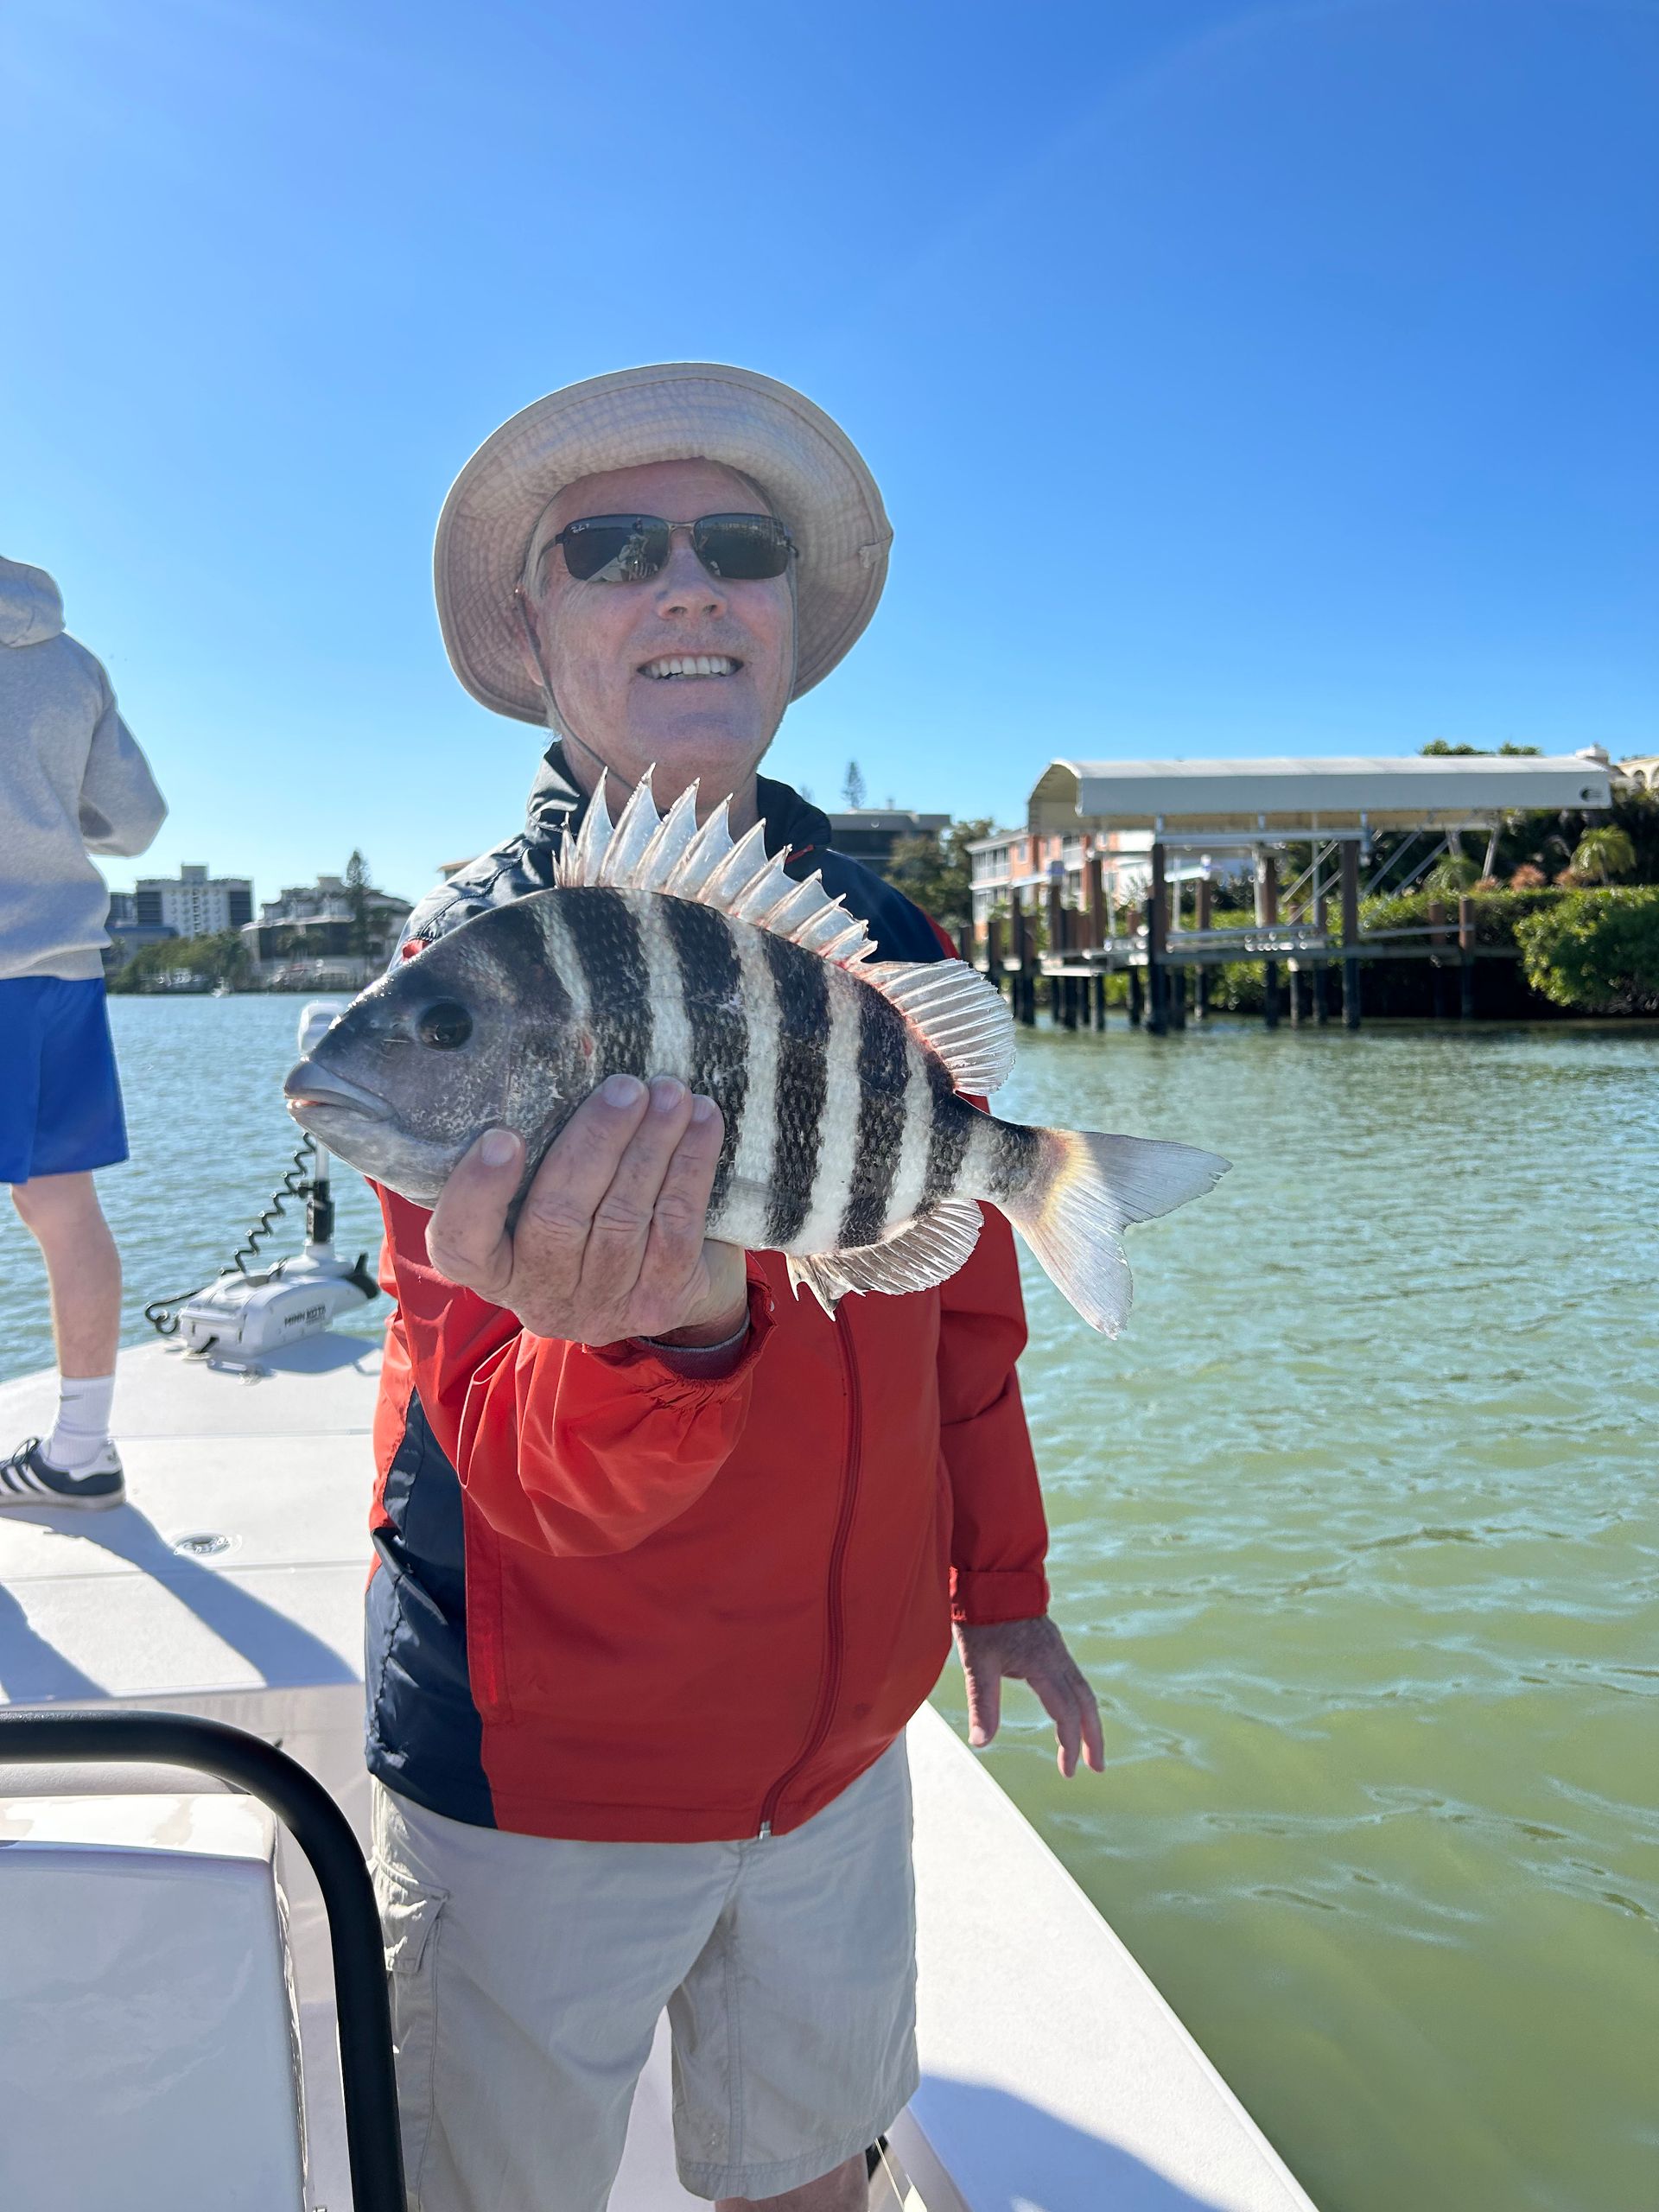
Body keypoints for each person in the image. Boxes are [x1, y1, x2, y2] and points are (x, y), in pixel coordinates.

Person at [366, 365, 1103, 2212]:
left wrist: (1001, 1597)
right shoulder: (467, 979)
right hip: (537, 1783)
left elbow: (967, 1330)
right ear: (534, 627)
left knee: (813, 2183)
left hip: (844, 1761)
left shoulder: (896, 947)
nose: (687, 585)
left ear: (791, 617)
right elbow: (509, 1470)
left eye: (740, 547)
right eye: (614, 545)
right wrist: (663, 1336)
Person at [0, 556, 166, 1510]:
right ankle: (80, 1452)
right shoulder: (73, 663)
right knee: (64, 1209)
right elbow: (135, 823)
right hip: (62, 970)